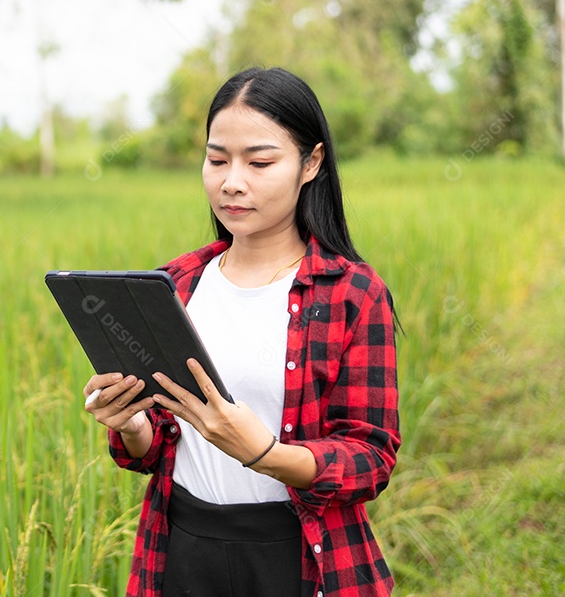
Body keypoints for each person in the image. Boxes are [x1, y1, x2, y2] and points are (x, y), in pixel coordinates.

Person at [83, 67, 402, 597]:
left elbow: (371, 458)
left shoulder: (352, 294)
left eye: (259, 162)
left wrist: (264, 453)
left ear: (311, 163)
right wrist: (133, 423)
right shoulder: (175, 285)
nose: (232, 181)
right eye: (217, 160)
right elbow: (158, 445)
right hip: (183, 548)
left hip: (297, 554)